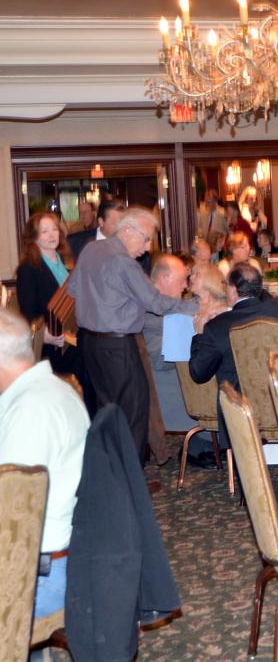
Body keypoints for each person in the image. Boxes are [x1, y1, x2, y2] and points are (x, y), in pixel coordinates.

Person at [68, 207, 191, 460]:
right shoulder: (123, 262)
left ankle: (112, 468)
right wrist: (195, 308)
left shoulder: (90, 249)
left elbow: (73, 290)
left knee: (108, 410)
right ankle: (131, 473)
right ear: (127, 230)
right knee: (134, 410)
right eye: (146, 239)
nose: (147, 248)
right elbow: (156, 303)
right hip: (117, 347)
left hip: (89, 344)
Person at [0, 309, 90, 621]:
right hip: (48, 558)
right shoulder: (51, 389)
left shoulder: (31, 412)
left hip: (36, 578)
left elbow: (11, 511)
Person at [141, 255, 212, 469]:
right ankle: (208, 444)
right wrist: (198, 339)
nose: (185, 286)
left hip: (181, 380)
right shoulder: (149, 312)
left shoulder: (165, 305)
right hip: (174, 389)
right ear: (164, 278)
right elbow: (161, 361)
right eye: (182, 280)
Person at [188, 262, 278, 400]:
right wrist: (228, 308)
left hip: (240, 406)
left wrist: (198, 333)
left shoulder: (216, 327)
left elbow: (198, 373)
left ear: (233, 290)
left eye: (225, 285)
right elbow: (263, 298)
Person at [16, 212, 76, 374]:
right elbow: (27, 314)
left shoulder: (65, 262)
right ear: (33, 238)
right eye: (44, 231)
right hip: (51, 346)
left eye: (54, 229)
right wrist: (44, 337)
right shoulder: (28, 268)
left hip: (71, 335)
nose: (52, 234)